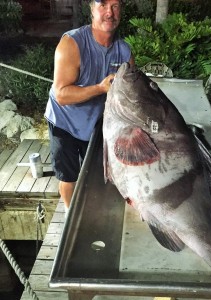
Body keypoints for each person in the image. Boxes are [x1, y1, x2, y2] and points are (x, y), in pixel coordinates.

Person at [45, 0, 134, 214]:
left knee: (96, 173)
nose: (109, 13)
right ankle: (69, 213)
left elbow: (132, 92)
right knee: (69, 175)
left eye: (115, 6)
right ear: (92, 10)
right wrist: (100, 88)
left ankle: (92, 209)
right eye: (102, 5)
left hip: (96, 123)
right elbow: (62, 94)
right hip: (64, 121)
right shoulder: (72, 43)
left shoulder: (124, 51)